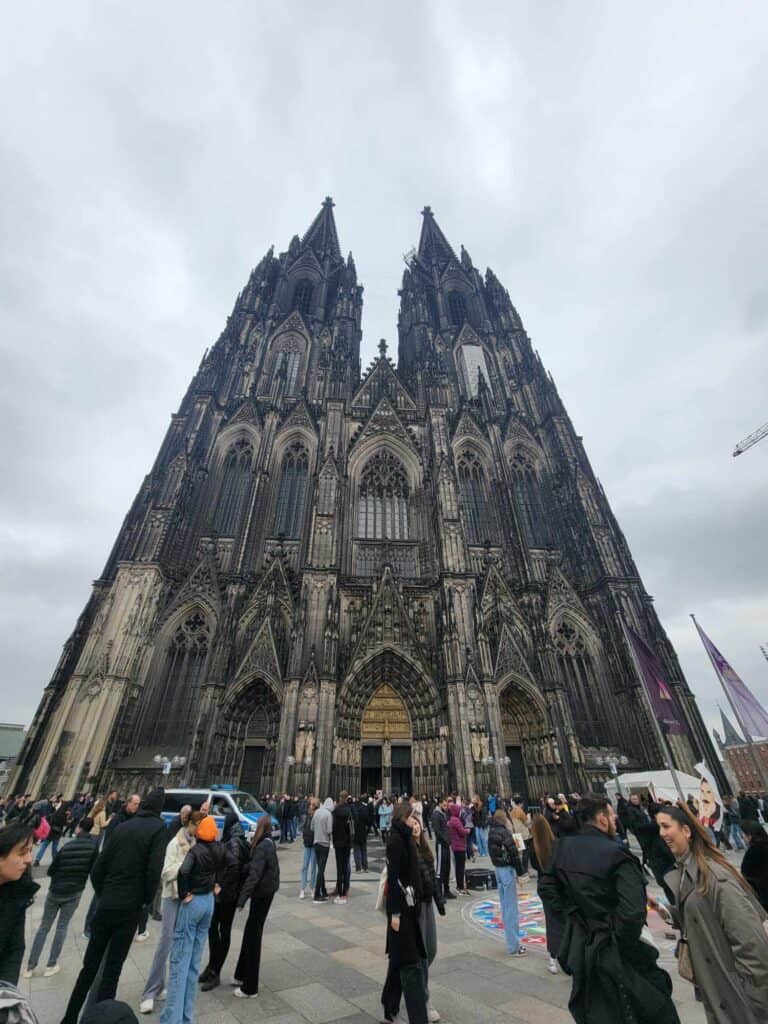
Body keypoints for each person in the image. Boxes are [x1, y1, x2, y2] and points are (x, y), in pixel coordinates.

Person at [539, 794, 680, 1024]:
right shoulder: (617, 853)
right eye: (613, 816)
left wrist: (576, 922)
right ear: (603, 819)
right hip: (622, 956)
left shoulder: (561, 847)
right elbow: (634, 912)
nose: (616, 820)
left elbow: (546, 888)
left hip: (585, 953)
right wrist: (614, 941)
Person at [62, 789, 168, 1024]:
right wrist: (145, 902)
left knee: (88, 969)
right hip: (129, 908)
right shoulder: (158, 829)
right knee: (112, 970)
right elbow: (153, 872)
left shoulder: (121, 827)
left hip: (107, 904)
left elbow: (98, 868)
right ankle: (103, 1019)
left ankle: (69, 1018)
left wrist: (104, 893)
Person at [658, 803, 768, 1023]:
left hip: (737, 998)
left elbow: (751, 943)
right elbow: (702, 916)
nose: (661, 833)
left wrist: (753, 1001)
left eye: (666, 826)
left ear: (686, 831)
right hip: (717, 989)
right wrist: (671, 913)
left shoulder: (715, 877)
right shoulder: (686, 874)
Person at [160, 814, 225, 1024]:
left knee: (179, 961)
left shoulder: (196, 850)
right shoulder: (218, 848)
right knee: (194, 963)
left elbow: (183, 872)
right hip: (208, 902)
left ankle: (171, 1020)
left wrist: (185, 892)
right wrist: (217, 884)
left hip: (194, 901)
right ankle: (186, 1018)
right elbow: (230, 864)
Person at [139, 811, 202, 1013]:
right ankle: (150, 992)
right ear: (190, 824)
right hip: (171, 896)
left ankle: (165, 986)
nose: (200, 830)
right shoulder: (175, 843)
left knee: (180, 942)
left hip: (187, 896)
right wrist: (186, 868)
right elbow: (165, 872)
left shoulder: (195, 844)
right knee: (165, 942)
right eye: (198, 825)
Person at [25, 817, 99, 979]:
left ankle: (30, 967)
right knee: (62, 927)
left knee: (44, 927)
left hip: (55, 890)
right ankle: (51, 964)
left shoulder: (67, 846)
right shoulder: (93, 848)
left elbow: (51, 870)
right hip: (74, 892)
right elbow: (94, 871)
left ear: (79, 828)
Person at [200, 813, 249, 991]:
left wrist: (221, 886)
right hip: (229, 894)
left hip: (226, 896)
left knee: (219, 929)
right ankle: (212, 966)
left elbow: (234, 867)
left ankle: (215, 971)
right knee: (216, 929)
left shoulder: (234, 842)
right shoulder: (236, 838)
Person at [233, 815, 280, 999]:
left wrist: (242, 899)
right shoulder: (268, 843)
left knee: (253, 935)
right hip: (266, 892)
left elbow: (255, 875)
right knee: (250, 931)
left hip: (261, 895)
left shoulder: (263, 846)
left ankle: (250, 987)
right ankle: (240, 974)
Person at [0, 822, 38, 985]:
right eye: (22, 853)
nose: (29, 859)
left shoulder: (17, 891)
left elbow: (14, 949)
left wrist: (6, 992)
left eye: (30, 851)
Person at [488, 809, 526, 957]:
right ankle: (514, 946)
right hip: (507, 870)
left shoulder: (491, 832)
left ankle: (511, 943)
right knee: (511, 909)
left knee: (505, 907)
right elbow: (514, 854)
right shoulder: (504, 833)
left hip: (498, 870)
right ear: (504, 820)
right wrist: (521, 873)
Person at [530, 814, 563, 975]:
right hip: (560, 885)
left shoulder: (533, 846)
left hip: (545, 886)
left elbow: (534, 865)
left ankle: (553, 959)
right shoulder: (557, 844)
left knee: (552, 922)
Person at [740, 820, 768, 910]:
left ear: (750, 836)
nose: (742, 836)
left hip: (763, 893)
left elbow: (746, 873)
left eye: (744, 834)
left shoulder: (753, 851)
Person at [331, 791, 353, 904]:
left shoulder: (335, 811)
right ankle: (344, 892)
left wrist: (334, 841)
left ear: (340, 798)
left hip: (338, 843)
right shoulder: (349, 810)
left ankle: (339, 893)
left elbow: (333, 828)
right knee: (345, 867)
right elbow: (350, 828)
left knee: (339, 868)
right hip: (347, 843)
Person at [311, 798, 333, 903]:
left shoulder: (316, 812)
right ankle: (316, 894)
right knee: (321, 869)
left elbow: (312, 827)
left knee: (320, 868)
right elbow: (329, 830)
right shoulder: (328, 814)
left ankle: (323, 892)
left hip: (316, 843)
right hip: (324, 844)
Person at [430, 798, 453, 900]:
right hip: (440, 845)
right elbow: (437, 831)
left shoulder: (444, 813)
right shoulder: (436, 814)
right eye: (444, 805)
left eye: (446, 805)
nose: (446, 807)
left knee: (447, 868)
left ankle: (447, 891)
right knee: (440, 870)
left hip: (446, 845)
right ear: (439, 804)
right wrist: (446, 841)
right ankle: (439, 894)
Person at [299, 798, 319, 899]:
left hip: (314, 844)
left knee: (313, 868)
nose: (310, 807)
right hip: (307, 843)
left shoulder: (317, 816)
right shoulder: (307, 816)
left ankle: (312, 888)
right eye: (310, 805)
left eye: (312, 805)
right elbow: (302, 827)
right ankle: (302, 889)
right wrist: (305, 835)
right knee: (305, 866)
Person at [447, 803, 468, 896]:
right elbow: (462, 832)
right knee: (460, 868)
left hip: (455, 846)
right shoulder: (456, 820)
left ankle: (459, 886)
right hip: (459, 846)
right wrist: (467, 830)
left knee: (458, 867)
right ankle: (460, 887)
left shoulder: (451, 820)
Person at [352, 794, 369, 872]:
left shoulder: (353, 807)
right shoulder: (365, 808)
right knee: (363, 850)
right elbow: (367, 820)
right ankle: (365, 867)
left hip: (355, 831)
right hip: (363, 831)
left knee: (356, 850)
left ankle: (358, 868)